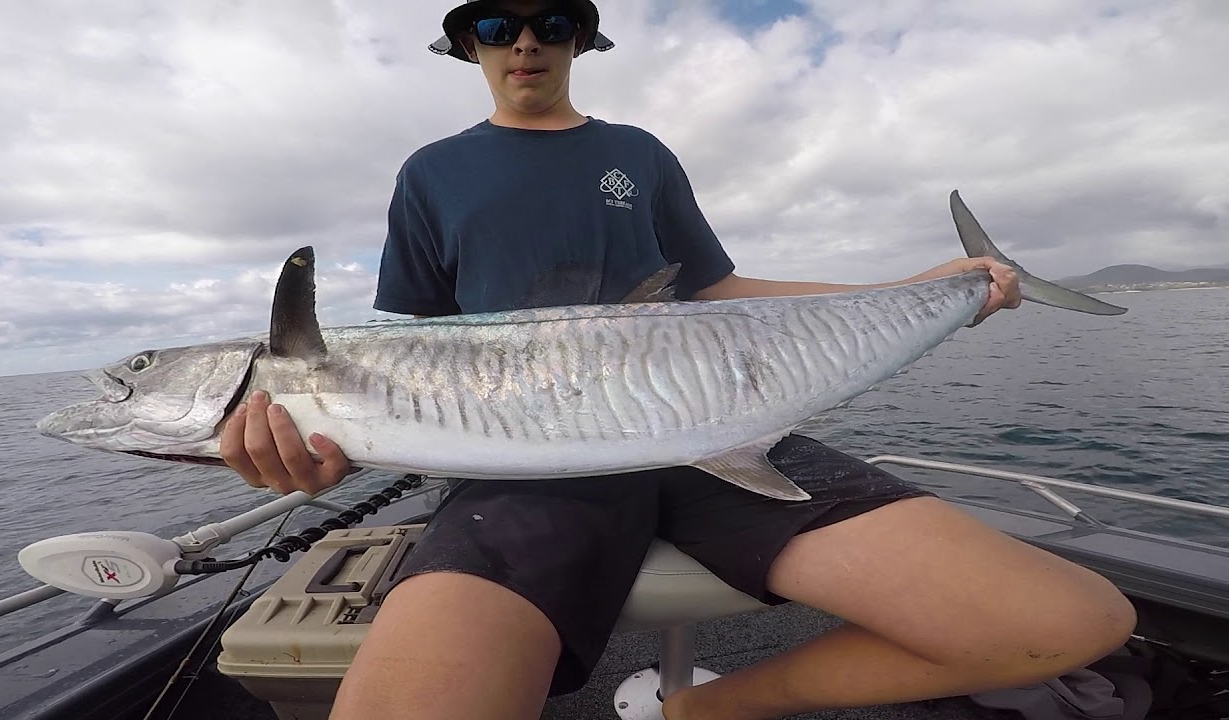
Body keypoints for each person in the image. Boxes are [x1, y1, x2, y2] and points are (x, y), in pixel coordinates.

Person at [219, 1, 1138, 719]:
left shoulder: (637, 154)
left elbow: (716, 290)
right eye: (496, 26)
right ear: (468, 46)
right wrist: (331, 435)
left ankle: (709, 707)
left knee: (1075, 619)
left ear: (581, 39)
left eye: (553, 24)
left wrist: (922, 288)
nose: (525, 43)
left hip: (716, 436)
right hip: (526, 468)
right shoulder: (429, 173)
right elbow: (416, 348)